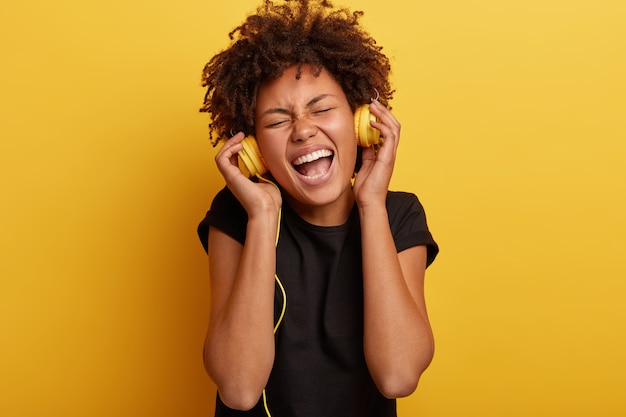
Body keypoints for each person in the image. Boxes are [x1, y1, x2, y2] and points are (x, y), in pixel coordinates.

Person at [197, 1, 439, 415]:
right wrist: (262, 216)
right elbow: (239, 390)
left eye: (323, 108)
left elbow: (398, 376)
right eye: (276, 121)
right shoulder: (238, 214)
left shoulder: (398, 214)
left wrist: (371, 205)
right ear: (254, 149)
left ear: (362, 120)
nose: (304, 130)